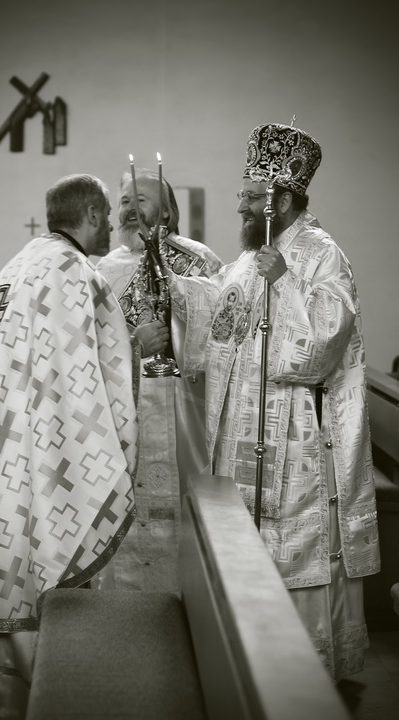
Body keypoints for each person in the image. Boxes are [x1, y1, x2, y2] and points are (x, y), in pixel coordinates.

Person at [160, 123, 380, 680]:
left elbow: (323, 345)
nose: (241, 206)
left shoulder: (323, 255)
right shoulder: (250, 256)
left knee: (293, 545)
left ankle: (297, 671)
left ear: (280, 201)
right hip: (242, 430)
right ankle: (244, 657)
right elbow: (221, 322)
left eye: (250, 198)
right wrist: (175, 284)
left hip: (298, 435)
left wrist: (284, 282)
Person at [0, 174, 140, 718]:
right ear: (92, 214)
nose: (112, 225)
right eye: (108, 214)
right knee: (24, 561)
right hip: (26, 451)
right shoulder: (73, 273)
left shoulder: (17, 267)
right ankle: (31, 696)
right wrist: (140, 347)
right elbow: (88, 377)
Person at [95, 167, 223, 593]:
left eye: (142, 200)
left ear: (167, 211)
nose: (130, 209)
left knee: (187, 510)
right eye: (124, 202)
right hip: (125, 411)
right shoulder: (103, 270)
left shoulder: (199, 260)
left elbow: (223, 333)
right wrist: (133, 341)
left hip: (183, 411)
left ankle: (194, 604)